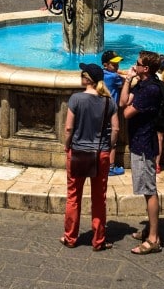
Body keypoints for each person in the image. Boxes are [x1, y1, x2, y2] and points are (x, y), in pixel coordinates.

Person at [60, 63, 118, 251]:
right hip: (100, 153)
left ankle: (70, 238)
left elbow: (69, 128)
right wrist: (110, 147)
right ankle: (99, 240)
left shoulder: (76, 99)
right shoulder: (109, 101)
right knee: (99, 198)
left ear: (87, 79)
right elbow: (115, 129)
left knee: (73, 197)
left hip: (78, 153)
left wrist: (66, 145)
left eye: (82, 74)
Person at [120, 51, 162, 254]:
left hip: (144, 144)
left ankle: (153, 239)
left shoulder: (151, 90)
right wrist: (128, 80)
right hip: (139, 142)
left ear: (145, 68)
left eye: (137, 63)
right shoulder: (144, 84)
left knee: (149, 191)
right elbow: (123, 102)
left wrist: (130, 90)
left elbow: (127, 112)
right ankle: (149, 230)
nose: (133, 65)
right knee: (146, 190)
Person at [101, 50, 124, 176]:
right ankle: (110, 167)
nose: (117, 67)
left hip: (100, 110)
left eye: (117, 64)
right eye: (114, 64)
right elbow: (126, 82)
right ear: (105, 65)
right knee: (112, 140)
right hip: (111, 112)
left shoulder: (102, 74)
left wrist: (118, 72)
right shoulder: (114, 77)